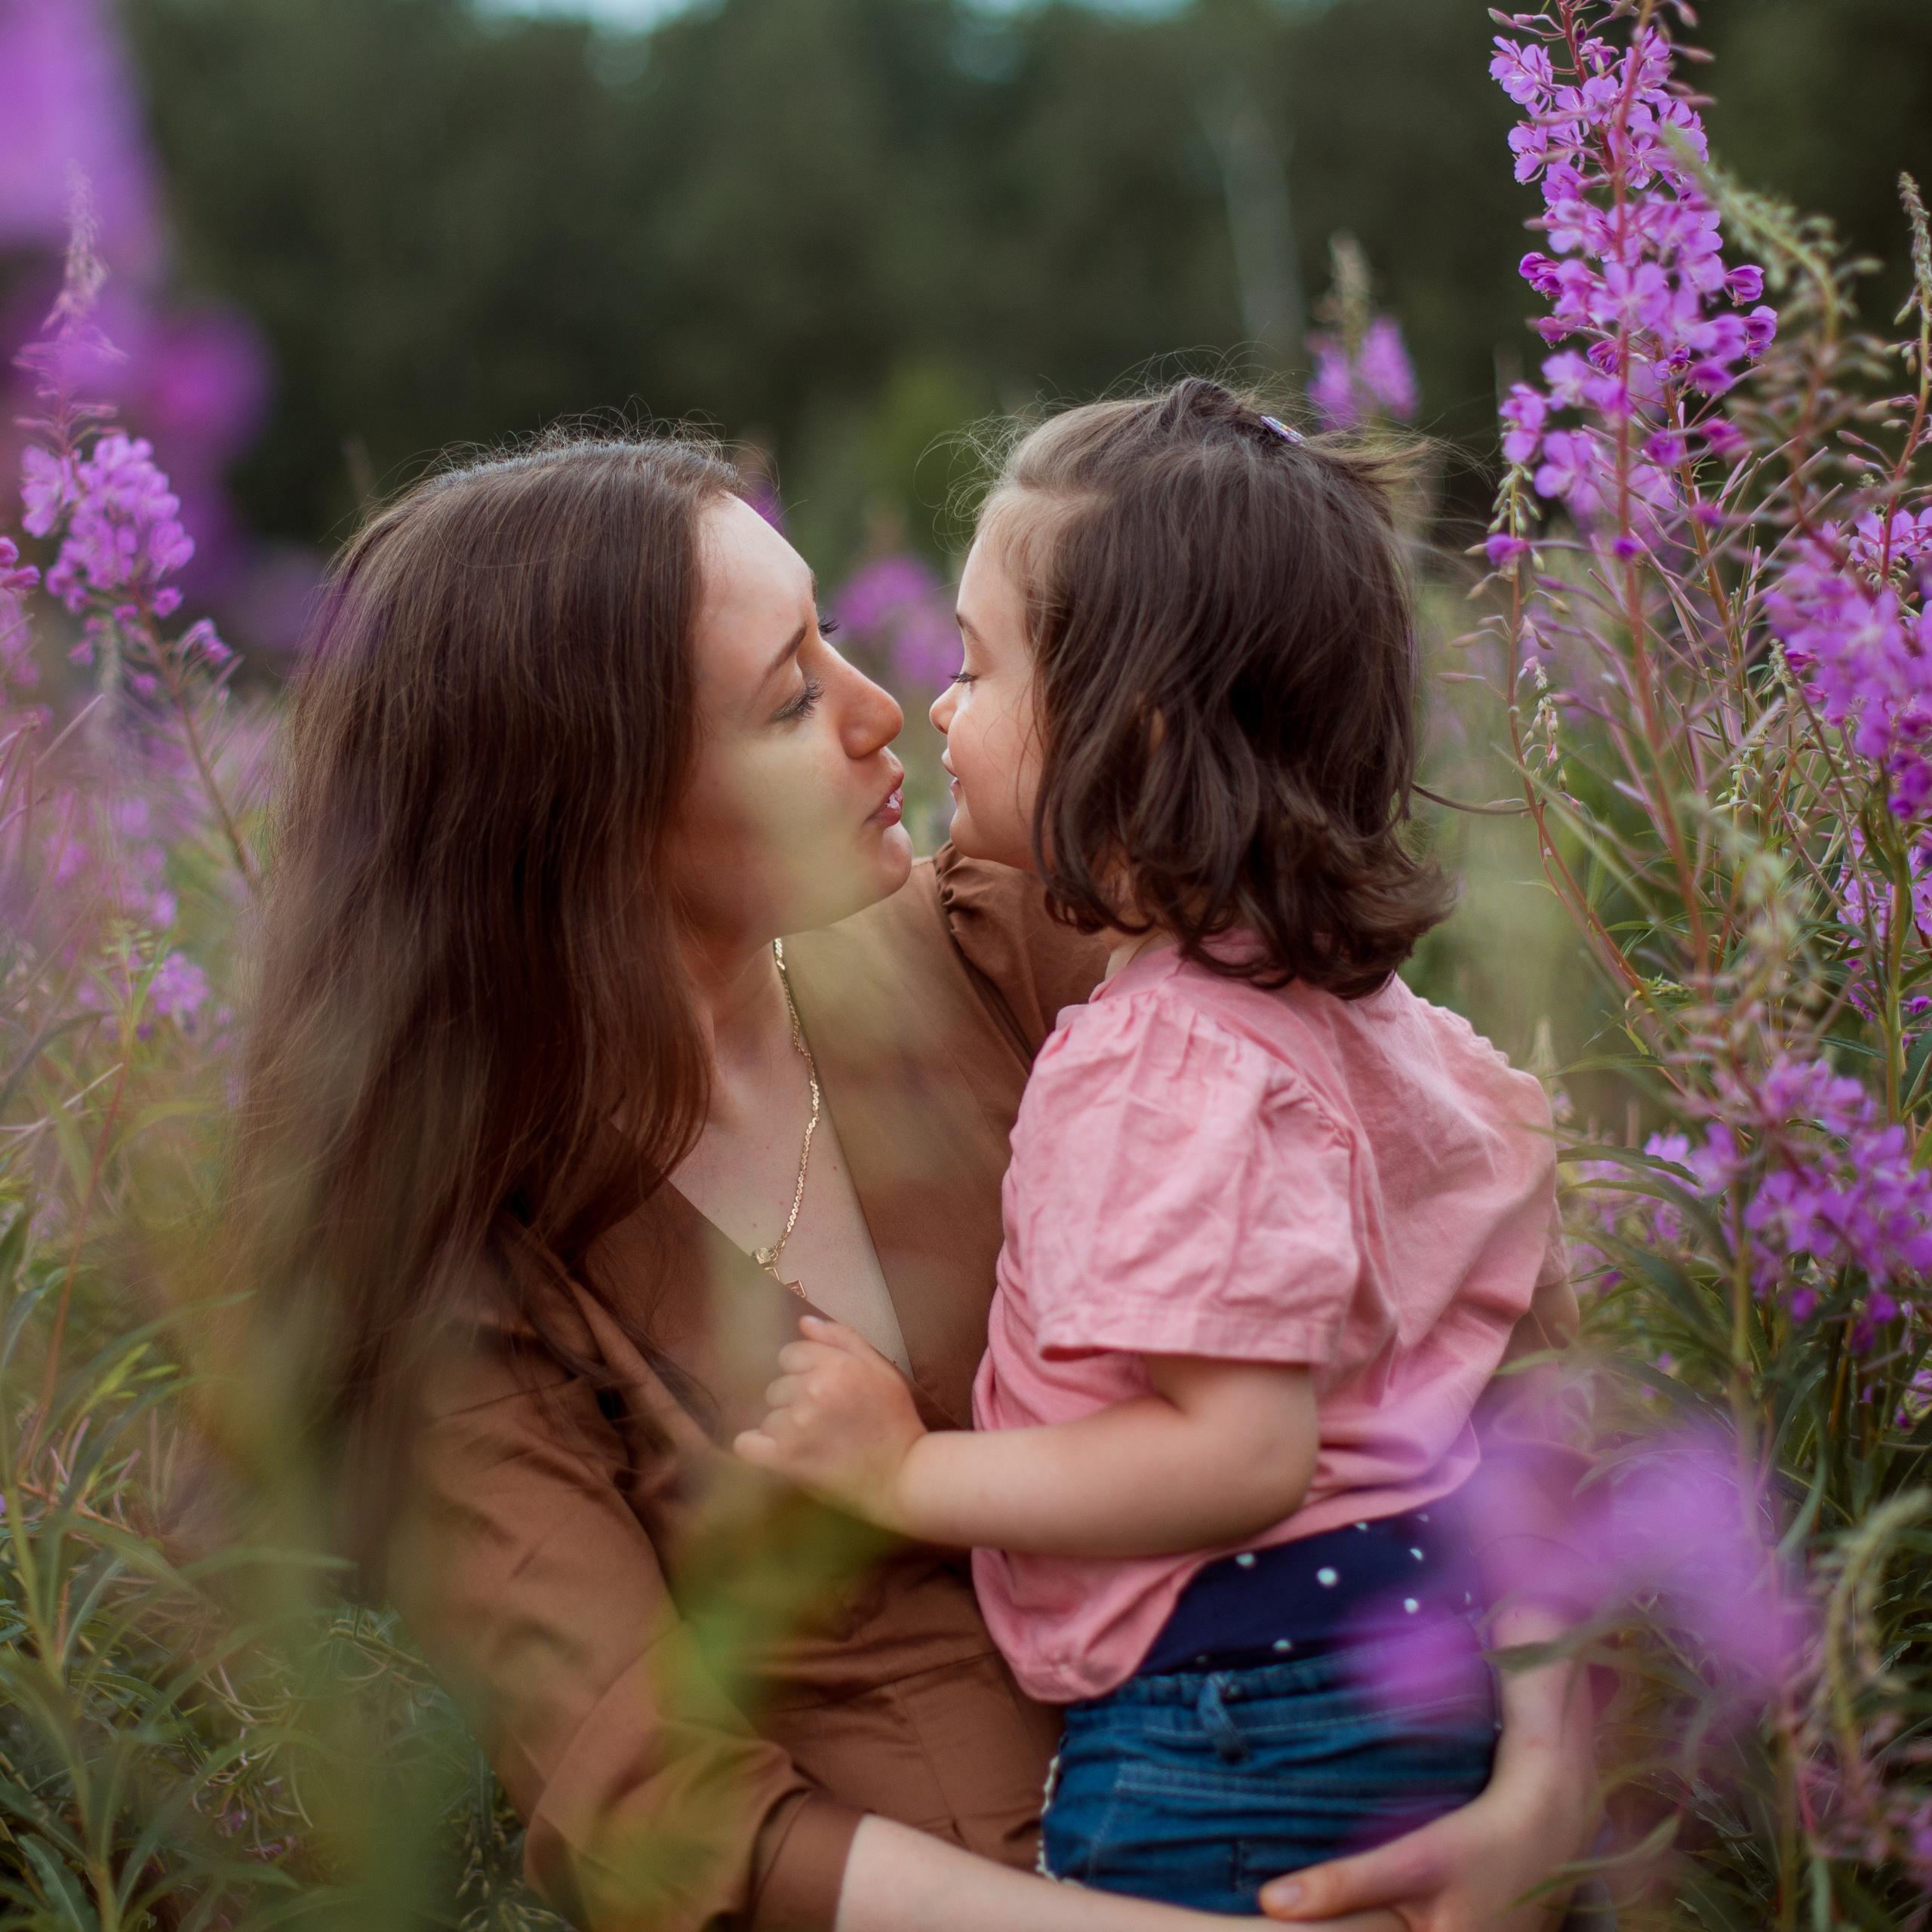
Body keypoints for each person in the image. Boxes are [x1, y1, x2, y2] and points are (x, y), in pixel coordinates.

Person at [227, 428, 1599, 1932]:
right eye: (791, 696)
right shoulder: (468, 1270)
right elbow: (651, 1813)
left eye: (832, 633)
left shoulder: (1027, 946)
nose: (885, 709)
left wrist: (1544, 1773)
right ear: (586, 811)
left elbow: (1464, 1281)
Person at [738, 380, 1571, 1915]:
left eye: (978, 669)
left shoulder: (1158, 1060)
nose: (933, 704)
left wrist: (904, 1472)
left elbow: (1237, 1453)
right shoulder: (1356, 1016)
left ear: (1132, 738)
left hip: (1234, 1716)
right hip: (1406, 1652)